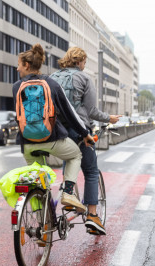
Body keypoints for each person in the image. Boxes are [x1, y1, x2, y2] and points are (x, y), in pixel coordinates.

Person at [13, 43, 94, 212]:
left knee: (38, 182)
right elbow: (70, 113)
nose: (17, 68)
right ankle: (68, 193)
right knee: (75, 155)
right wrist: (85, 134)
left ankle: (43, 228)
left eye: (19, 64)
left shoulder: (16, 87)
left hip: (27, 143)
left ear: (26, 65)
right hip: (52, 139)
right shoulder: (52, 84)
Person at [51, 47, 120, 235]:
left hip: (56, 131)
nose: (84, 65)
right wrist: (109, 118)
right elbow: (91, 111)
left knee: (69, 161)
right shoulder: (84, 78)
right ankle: (92, 215)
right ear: (80, 61)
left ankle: (70, 199)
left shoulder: (53, 77)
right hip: (79, 130)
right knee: (91, 171)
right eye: (84, 62)